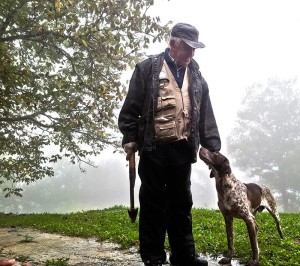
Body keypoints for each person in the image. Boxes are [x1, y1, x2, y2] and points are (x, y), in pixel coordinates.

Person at [118, 23, 221, 266]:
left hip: (182, 149)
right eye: (187, 48)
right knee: (153, 204)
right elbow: (130, 109)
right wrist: (130, 138)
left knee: (182, 203)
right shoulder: (146, 69)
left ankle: (184, 256)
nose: (191, 54)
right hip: (154, 149)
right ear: (173, 43)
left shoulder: (196, 76)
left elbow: (205, 113)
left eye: (194, 49)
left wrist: (212, 146)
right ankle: (153, 258)